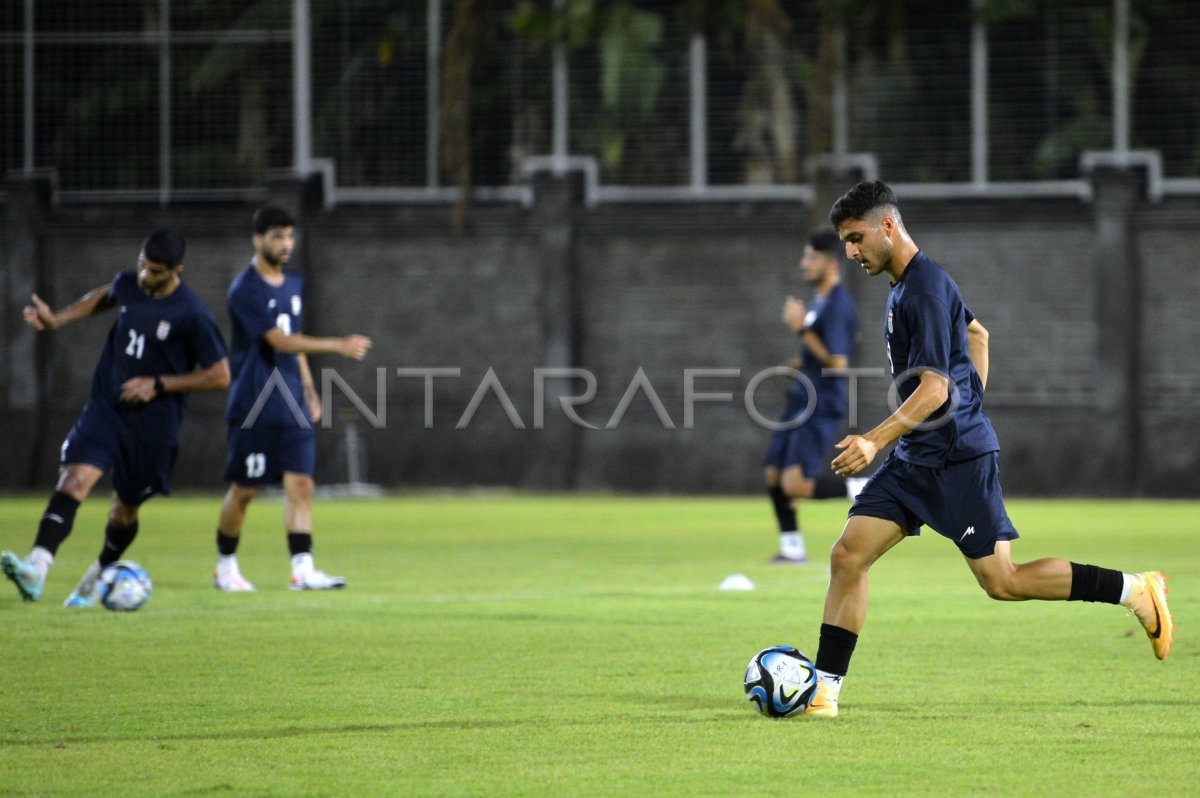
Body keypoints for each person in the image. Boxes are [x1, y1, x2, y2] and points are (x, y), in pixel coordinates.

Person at [802, 180, 1174, 718]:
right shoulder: (908, 285)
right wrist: (967, 400)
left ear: (888, 225)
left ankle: (1135, 589)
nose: (851, 252)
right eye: (845, 242)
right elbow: (979, 334)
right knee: (848, 555)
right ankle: (824, 692)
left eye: (856, 238)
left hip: (956, 460)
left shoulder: (924, 289)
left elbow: (934, 388)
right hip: (917, 459)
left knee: (1004, 582)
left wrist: (874, 439)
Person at [1, 229, 230, 606]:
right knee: (73, 480)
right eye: (142, 264)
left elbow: (220, 375)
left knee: (124, 510)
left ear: (176, 271)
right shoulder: (130, 282)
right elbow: (105, 296)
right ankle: (36, 568)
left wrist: (158, 383)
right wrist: (57, 320)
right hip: (107, 408)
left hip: (153, 426)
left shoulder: (192, 314)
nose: (144, 275)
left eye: (155, 271)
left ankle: (94, 579)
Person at [213, 205, 372, 592]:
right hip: (254, 404)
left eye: (289, 236)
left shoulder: (293, 284)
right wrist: (336, 344)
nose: (285, 244)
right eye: (277, 237)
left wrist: (309, 389)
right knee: (245, 490)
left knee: (302, 485)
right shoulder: (244, 290)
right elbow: (278, 340)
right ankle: (225, 567)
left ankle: (302, 569)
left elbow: (294, 344)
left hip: (290, 402)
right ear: (258, 240)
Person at [763, 230, 862, 564]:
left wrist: (801, 330)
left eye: (812, 258)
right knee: (773, 474)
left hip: (820, 403)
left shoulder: (837, 304)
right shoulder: (819, 302)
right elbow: (820, 356)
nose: (805, 264)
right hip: (801, 398)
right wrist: (801, 362)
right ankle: (792, 550)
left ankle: (861, 489)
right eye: (805, 257)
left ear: (831, 264)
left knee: (797, 485)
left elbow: (837, 361)